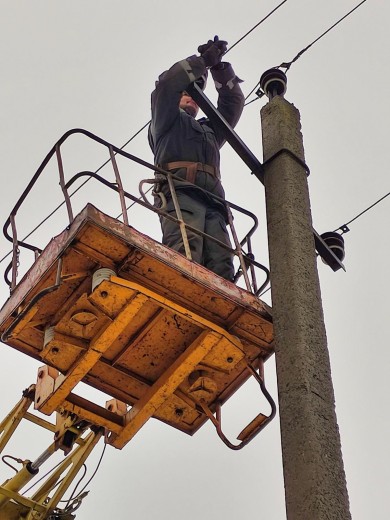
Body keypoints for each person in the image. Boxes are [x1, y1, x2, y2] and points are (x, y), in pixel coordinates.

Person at [148, 36, 244, 281]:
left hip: (214, 203)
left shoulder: (210, 132)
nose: (192, 97)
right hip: (180, 193)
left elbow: (233, 104)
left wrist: (220, 69)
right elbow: (167, 85)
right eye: (187, 92)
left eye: (197, 94)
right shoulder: (166, 123)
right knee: (185, 254)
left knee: (222, 267)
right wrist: (202, 62)